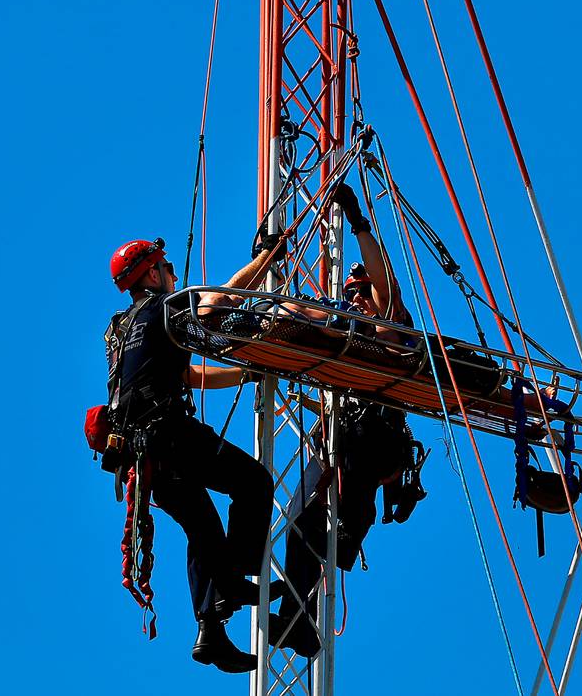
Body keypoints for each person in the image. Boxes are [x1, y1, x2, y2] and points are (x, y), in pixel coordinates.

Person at [105, 236, 282, 673]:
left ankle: (211, 631)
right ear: (151, 274)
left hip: (138, 455)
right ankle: (233, 580)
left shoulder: (120, 328)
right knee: (253, 482)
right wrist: (265, 257)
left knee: (203, 527)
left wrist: (244, 373)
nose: (174, 275)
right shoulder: (167, 307)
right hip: (168, 434)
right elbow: (220, 300)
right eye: (167, 268)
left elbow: (187, 374)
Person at [266, 183, 425, 657]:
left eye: (361, 292)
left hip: (374, 439)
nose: (356, 299)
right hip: (343, 438)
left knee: (339, 516)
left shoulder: (390, 324)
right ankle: (300, 620)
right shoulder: (347, 338)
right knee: (299, 526)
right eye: (351, 293)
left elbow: (384, 283)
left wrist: (356, 222)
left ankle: (349, 535)